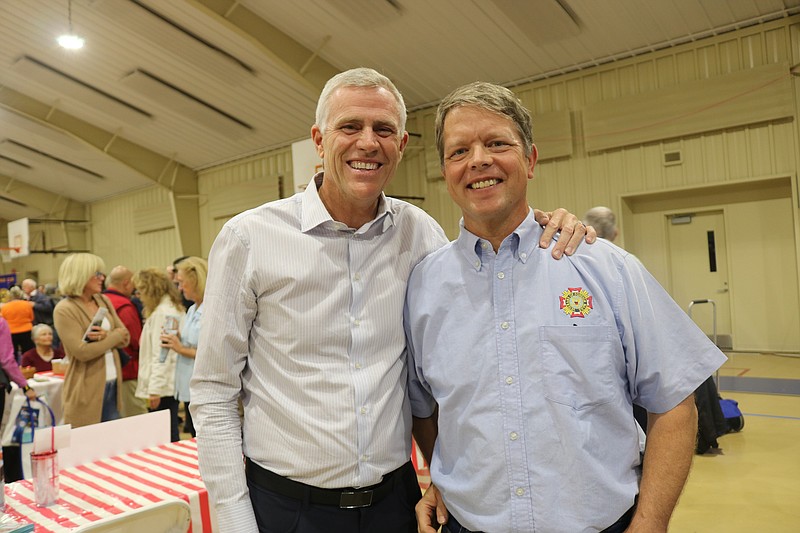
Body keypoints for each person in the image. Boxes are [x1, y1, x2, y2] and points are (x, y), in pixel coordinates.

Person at [190, 67, 594, 533]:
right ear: (319, 140)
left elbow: (474, 316)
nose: (367, 142)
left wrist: (546, 223)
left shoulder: (419, 232)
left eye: (383, 130)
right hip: (286, 509)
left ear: (401, 145)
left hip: (395, 505)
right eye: (350, 127)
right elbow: (215, 391)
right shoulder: (249, 238)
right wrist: (234, 520)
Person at [405, 82, 728, 533]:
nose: (478, 160)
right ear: (445, 169)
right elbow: (427, 409)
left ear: (531, 160)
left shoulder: (605, 268)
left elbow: (674, 401)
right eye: (460, 151)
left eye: (497, 143)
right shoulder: (422, 286)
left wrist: (650, 524)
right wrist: (443, 479)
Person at [53, 253, 130, 428]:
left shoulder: (102, 300)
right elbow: (82, 352)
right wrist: (113, 337)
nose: (102, 277)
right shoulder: (65, 309)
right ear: (80, 275)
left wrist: (107, 337)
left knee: (113, 444)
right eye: (96, 273)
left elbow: (125, 336)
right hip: (85, 390)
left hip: (113, 385)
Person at [132, 268, 185, 442]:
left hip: (163, 387)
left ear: (151, 289)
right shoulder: (167, 310)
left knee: (165, 436)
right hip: (165, 384)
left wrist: (155, 390)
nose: (139, 295)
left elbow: (162, 354)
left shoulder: (165, 313)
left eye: (141, 290)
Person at [160, 256, 206, 438]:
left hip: (201, 385)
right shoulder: (193, 309)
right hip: (187, 383)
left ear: (195, 281)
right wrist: (178, 338)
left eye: (181, 283)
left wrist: (180, 348)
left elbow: (210, 353)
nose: (179, 288)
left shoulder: (210, 309)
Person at [103, 265, 147, 418]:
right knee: (137, 418)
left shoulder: (100, 302)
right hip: (129, 370)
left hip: (108, 371)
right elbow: (135, 340)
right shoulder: (125, 307)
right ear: (127, 283)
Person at [0, 286, 35, 359]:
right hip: (27, 330)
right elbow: (32, 317)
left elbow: (3, 320)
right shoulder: (27, 304)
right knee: (28, 350)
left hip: (11, 332)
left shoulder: (5, 307)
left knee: (13, 352)